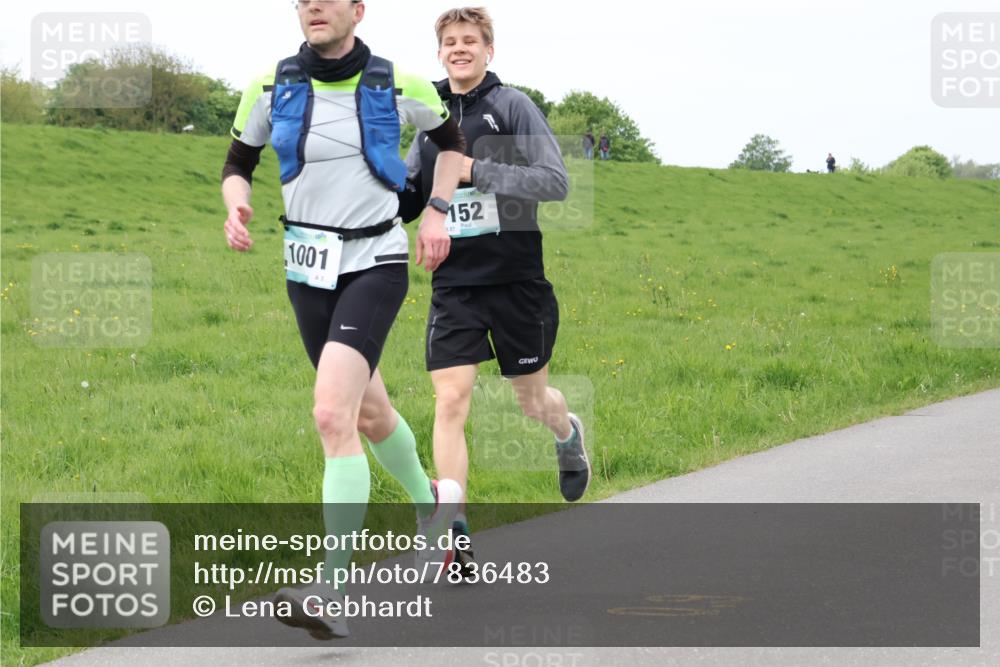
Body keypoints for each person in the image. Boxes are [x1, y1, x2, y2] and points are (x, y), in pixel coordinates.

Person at [220, 0, 465, 640]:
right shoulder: (270, 85)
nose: (313, 8)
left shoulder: (399, 82)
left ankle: (331, 588)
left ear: (358, 10)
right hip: (306, 265)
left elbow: (452, 146)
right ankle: (434, 504)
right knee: (368, 413)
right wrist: (236, 206)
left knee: (332, 413)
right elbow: (237, 163)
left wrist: (436, 210)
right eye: (303, 0)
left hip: (375, 259)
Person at [399, 6, 591, 578]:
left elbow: (554, 182)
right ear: (439, 53)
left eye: (470, 41)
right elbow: (412, 195)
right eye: (450, 42)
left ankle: (567, 429)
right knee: (450, 400)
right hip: (454, 282)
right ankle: (456, 534)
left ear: (488, 51)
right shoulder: (428, 114)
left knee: (532, 401)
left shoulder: (512, 106)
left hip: (515, 281)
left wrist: (475, 170)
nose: (459, 49)